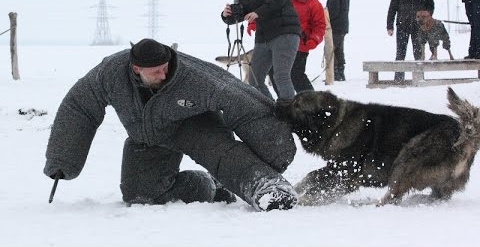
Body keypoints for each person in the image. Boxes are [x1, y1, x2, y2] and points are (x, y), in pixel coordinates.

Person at [43, 38, 298, 212]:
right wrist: (62, 160)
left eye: (165, 68)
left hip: (195, 124)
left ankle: (269, 187)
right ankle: (210, 186)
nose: (164, 75)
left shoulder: (191, 75)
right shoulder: (109, 74)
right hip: (147, 135)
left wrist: (275, 145)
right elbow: (79, 107)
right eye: (155, 72)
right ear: (135, 68)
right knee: (139, 196)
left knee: (222, 154)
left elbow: (239, 97)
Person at [221, 0, 301, 117]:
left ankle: (291, 115)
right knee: (255, 78)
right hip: (264, 37)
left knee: (280, 75)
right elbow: (238, 16)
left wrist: (258, 12)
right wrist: (227, 14)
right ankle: (272, 112)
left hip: (285, 31)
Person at [266, 0, 326, 93]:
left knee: (296, 75)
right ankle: (285, 102)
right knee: (274, 73)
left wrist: (313, 39)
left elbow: (320, 26)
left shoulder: (314, 4)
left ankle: (313, 103)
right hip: (279, 44)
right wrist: (253, 23)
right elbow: (267, 12)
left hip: (300, 46)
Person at [386, 0, 434, 82]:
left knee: (418, 55)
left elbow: (431, 7)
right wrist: (389, 25)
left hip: (419, 28)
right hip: (403, 26)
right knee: (400, 55)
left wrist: (426, 19)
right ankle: (398, 80)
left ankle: (419, 79)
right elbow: (392, 8)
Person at [324, 0, 350, 81]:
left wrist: (324, 16)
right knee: (339, 50)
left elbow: (332, 12)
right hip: (343, 27)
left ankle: (333, 74)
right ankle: (340, 73)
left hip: (335, 27)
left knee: (331, 50)